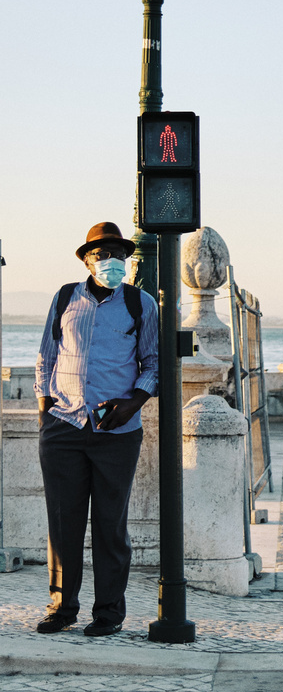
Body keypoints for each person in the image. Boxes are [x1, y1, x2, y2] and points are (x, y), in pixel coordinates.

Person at [33, 222, 158, 636]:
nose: (110, 262)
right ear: (87, 260)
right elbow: (46, 358)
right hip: (63, 424)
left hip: (116, 432)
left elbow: (153, 364)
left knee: (110, 525)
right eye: (101, 255)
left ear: (127, 260)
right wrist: (44, 416)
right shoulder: (66, 297)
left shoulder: (140, 304)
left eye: (117, 255)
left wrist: (133, 403)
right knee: (63, 522)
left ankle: (108, 614)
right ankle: (62, 608)